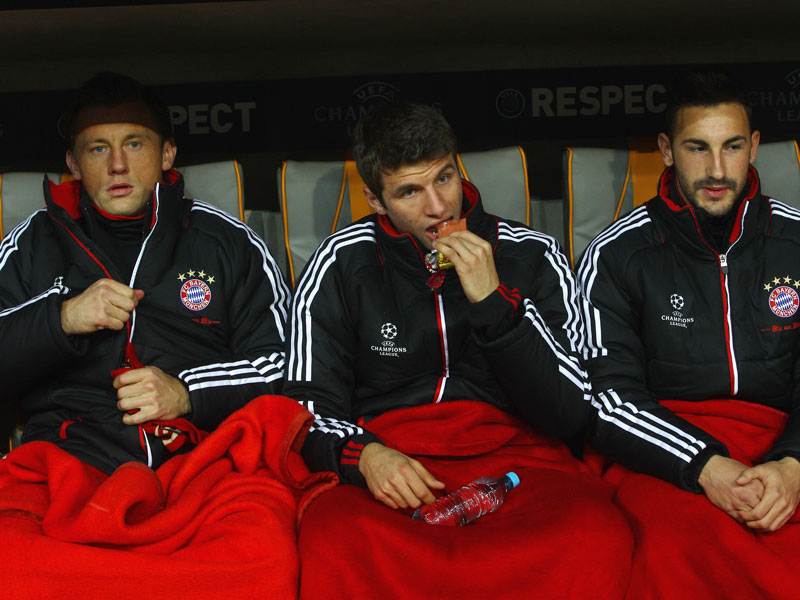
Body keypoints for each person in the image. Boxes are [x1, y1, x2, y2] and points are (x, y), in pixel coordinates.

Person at [284, 102, 631, 599]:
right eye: (409, 191)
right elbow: (305, 402)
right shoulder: (340, 262)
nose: (438, 207)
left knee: (595, 534)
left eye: (444, 178)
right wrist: (363, 456)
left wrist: (495, 302)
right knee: (332, 540)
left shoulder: (532, 253)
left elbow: (571, 410)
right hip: (393, 462)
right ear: (376, 201)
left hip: (522, 462)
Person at [578, 71, 800, 599]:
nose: (718, 169)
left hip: (785, 447)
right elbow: (606, 398)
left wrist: (793, 467)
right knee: (674, 554)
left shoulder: (795, 240)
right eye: (698, 148)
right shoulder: (615, 255)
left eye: (733, 147)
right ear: (667, 150)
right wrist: (704, 465)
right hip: (666, 455)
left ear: (755, 147)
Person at [0, 72, 289, 473]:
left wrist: (187, 392)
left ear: (167, 153)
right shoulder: (33, 242)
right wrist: (61, 318)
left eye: (134, 144)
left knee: (263, 531)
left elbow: (284, 364)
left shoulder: (228, 241)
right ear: (74, 164)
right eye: (98, 149)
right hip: (65, 462)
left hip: (204, 461)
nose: (118, 165)